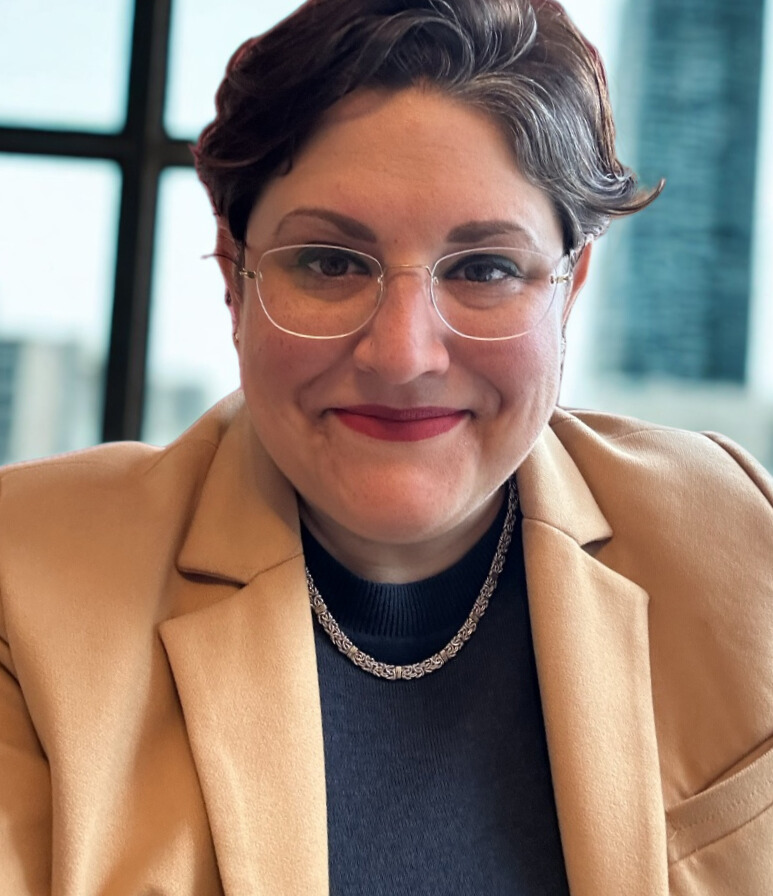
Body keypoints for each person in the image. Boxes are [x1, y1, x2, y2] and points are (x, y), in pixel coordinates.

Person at [1, 0, 772, 893]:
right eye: (330, 262)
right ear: (235, 278)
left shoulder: (735, 531)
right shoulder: (24, 579)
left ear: (568, 289)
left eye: (484, 268)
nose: (403, 357)